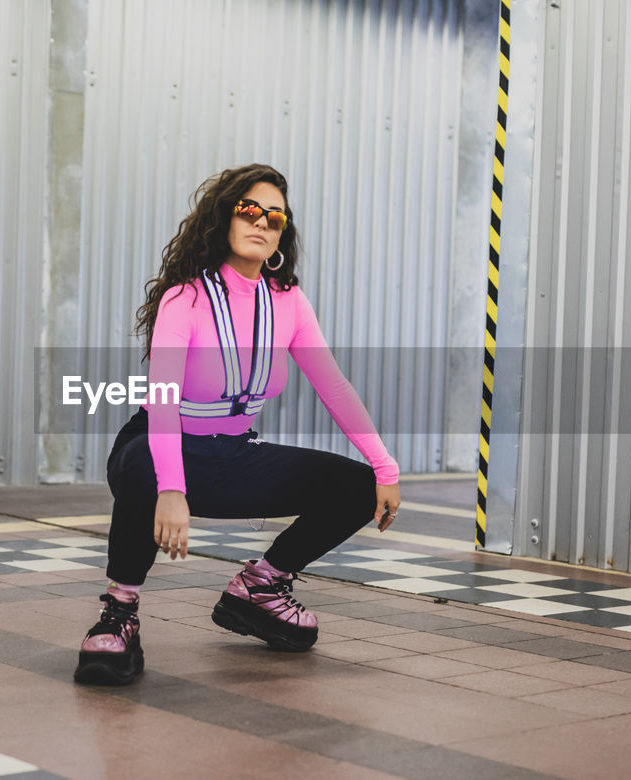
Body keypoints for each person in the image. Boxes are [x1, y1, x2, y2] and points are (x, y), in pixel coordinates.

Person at [74, 164, 401, 686]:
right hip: (161, 446)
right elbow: (162, 399)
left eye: (275, 217)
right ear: (223, 218)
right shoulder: (186, 297)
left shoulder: (288, 302)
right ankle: (119, 613)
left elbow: (334, 386)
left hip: (233, 453)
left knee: (358, 487)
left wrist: (384, 466)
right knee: (142, 468)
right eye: (249, 210)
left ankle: (261, 586)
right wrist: (172, 489)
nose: (261, 222)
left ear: (282, 233)